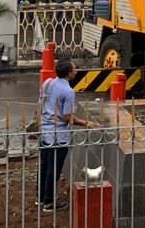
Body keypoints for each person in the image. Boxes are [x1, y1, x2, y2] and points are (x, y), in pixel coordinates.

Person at [37, 59, 99, 211]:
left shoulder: (48, 83)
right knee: (54, 169)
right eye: (74, 70)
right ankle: (49, 202)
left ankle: (40, 197)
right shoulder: (68, 92)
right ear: (69, 73)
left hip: (45, 131)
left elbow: (41, 102)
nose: (76, 71)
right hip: (58, 135)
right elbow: (67, 117)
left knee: (44, 165)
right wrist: (86, 123)